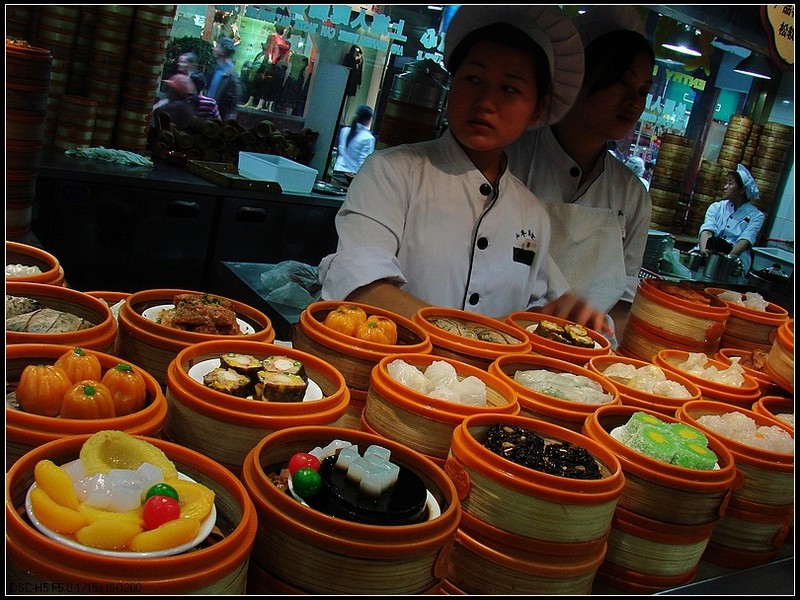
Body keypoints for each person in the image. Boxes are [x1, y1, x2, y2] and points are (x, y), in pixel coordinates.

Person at [318, 6, 609, 334]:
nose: (486, 100)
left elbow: (524, 317)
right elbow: (363, 288)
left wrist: (554, 320)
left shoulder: (532, 214)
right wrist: (474, 335)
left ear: (537, 108)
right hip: (385, 374)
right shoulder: (391, 172)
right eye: (473, 79)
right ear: (452, 85)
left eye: (509, 89)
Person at [506, 5, 655, 347]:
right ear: (580, 77)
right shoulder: (510, 158)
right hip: (506, 339)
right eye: (621, 82)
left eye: (643, 91)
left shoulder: (632, 195)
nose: (633, 102)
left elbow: (623, 306)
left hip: (588, 361)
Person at [693, 163, 764, 275]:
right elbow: (707, 230)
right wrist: (703, 250)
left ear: (742, 190)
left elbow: (745, 240)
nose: (725, 187)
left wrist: (725, 259)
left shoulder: (756, 215)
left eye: (730, 183)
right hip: (709, 250)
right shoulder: (716, 207)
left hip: (735, 257)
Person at [332, 105, 376, 185]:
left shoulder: (344, 131)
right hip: (352, 178)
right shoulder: (368, 138)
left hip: (336, 171)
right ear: (369, 120)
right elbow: (364, 164)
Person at [207, 36, 243, 121]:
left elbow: (233, 105)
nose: (214, 48)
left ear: (223, 51)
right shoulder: (218, 69)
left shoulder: (231, 75)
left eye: (217, 46)